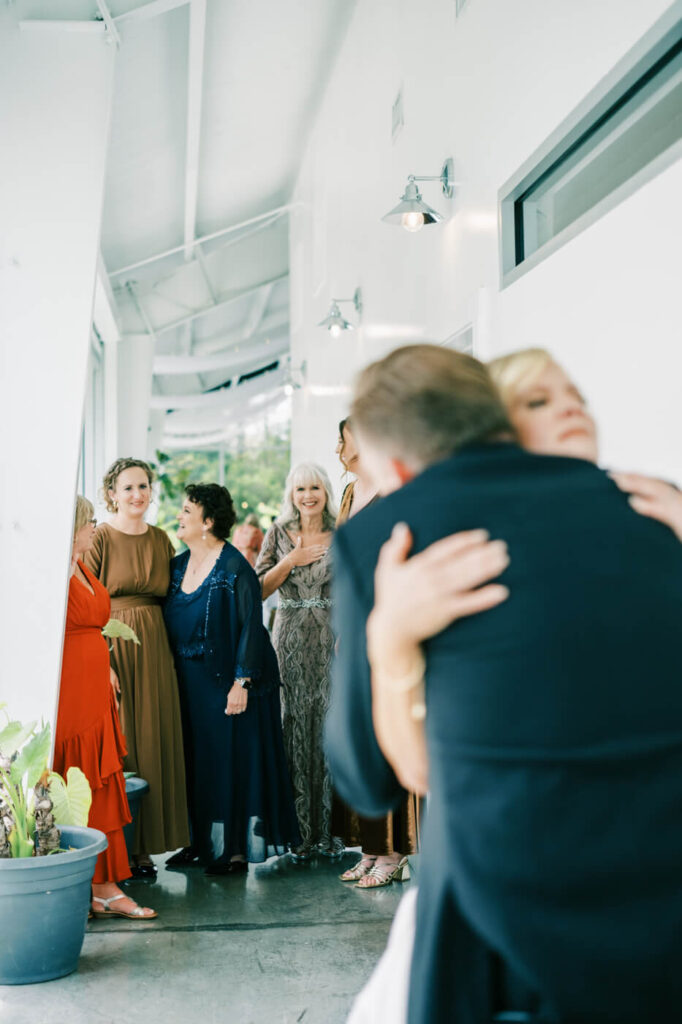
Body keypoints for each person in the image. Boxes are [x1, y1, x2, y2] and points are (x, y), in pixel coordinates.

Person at [326, 344, 682, 1024]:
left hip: (503, 923)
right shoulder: (654, 507)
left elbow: (369, 782)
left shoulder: (386, 537)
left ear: (395, 465)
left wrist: (388, 638)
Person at [162, 483, 300, 873]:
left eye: (187, 511)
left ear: (207, 522)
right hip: (189, 684)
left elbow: (250, 627)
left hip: (230, 684)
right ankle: (198, 844)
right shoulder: (176, 566)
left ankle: (234, 851)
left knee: (230, 763)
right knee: (195, 764)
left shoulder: (234, 566)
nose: (180, 516)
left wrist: (242, 682)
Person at [86, 458, 189, 879]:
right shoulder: (101, 539)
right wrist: (100, 660)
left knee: (154, 740)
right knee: (125, 741)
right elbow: (84, 602)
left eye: (143, 486)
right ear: (112, 493)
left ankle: (145, 849)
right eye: (128, 488)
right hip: (113, 647)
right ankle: (121, 848)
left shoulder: (162, 539)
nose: (137, 495)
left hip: (155, 650)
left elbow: (175, 599)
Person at [55, 496, 156, 920]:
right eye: (89, 521)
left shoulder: (81, 565)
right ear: (73, 525)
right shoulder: (54, 570)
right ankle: (97, 887)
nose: (95, 526)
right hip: (70, 694)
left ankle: (103, 886)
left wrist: (108, 666)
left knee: (103, 781)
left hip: (96, 687)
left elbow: (93, 628)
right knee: (83, 784)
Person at [334, 418, 415, 888]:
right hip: (353, 624)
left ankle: (393, 850)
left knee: (386, 732)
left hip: (385, 622)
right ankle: (369, 847)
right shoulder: (348, 495)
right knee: (360, 734)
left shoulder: (392, 489)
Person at [255, 463, 339, 860]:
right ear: (291, 494)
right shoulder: (277, 533)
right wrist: (293, 559)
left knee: (327, 725)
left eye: (315, 487)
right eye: (301, 488)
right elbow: (255, 590)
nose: (308, 495)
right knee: (291, 725)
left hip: (330, 640)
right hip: (287, 637)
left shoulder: (342, 532)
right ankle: (294, 833)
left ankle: (329, 832)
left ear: (326, 492)